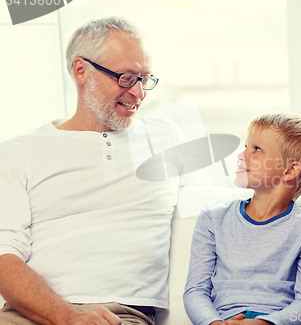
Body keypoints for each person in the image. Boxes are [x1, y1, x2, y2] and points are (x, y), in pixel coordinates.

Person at [0, 17, 195, 325]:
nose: (140, 93)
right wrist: (67, 317)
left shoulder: (166, 136)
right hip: (25, 314)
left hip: (119, 316)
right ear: (81, 71)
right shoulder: (17, 153)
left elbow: (220, 216)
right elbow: (3, 257)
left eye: (145, 79)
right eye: (127, 78)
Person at [183, 112, 301, 325]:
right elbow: (195, 291)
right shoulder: (214, 217)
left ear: (290, 170)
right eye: (245, 146)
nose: (241, 155)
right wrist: (213, 323)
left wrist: (265, 323)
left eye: (257, 149)